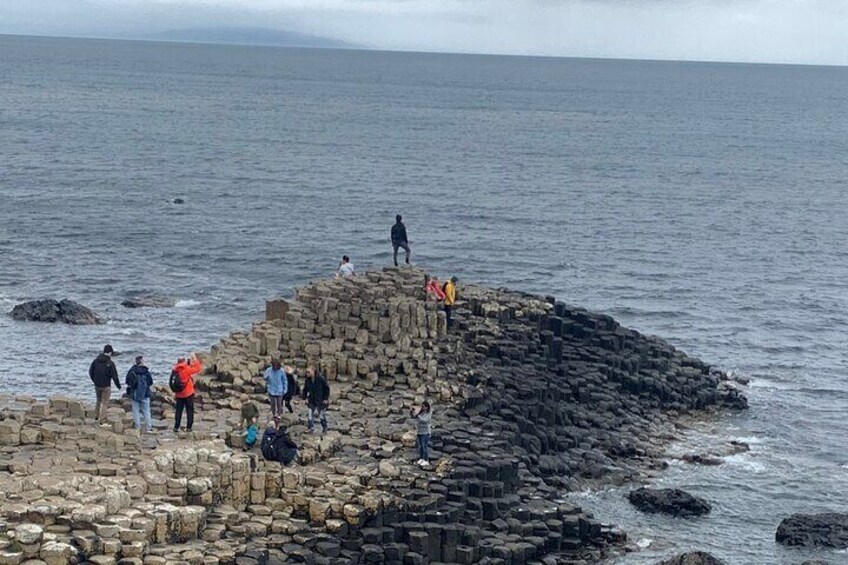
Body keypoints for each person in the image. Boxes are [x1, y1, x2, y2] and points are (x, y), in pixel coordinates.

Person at [89, 344, 120, 424]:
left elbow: (90, 372)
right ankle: (102, 420)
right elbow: (114, 376)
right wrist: (118, 386)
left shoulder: (95, 361)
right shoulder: (110, 363)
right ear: (109, 352)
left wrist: (94, 380)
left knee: (98, 400)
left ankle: (96, 417)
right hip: (106, 386)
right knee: (105, 403)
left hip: (97, 385)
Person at [172, 353, 202, 433]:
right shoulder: (186, 369)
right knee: (189, 410)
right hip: (188, 393)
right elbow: (198, 368)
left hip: (179, 394)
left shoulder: (175, 370)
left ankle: (176, 427)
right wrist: (194, 359)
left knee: (178, 411)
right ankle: (189, 427)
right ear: (184, 361)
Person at [125, 355, 154, 432]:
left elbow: (127, 381)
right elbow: (150, 382)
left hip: (135, 394)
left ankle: (137, 427)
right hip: (145, 394)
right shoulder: (146, 371)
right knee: (146, 411)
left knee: (135, 411)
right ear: (141, 362)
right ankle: (149, 428)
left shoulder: (132, 371)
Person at [302, 366, 330, 434]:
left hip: (320, 399)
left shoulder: (320, 379)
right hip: (311, 399)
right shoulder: (307, 380)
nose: (307, 373)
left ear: (313, 371)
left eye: (308, 372)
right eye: (306, 372)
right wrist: (304, 398)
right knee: (310, 414)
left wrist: (325, 398)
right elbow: (305, 389)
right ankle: (311, 428)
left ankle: (324, 428)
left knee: (321, 415)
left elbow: (327, 388)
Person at [264, 359, 288, 425]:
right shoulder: (269, 370)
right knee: (272, 403)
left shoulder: (282, 371)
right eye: (274, 366)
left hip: (280, 390)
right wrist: (267, 376)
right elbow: (265, 377)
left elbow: (285, 380)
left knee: (279, 403)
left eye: (276, 366)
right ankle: (274, 414)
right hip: (271, 389)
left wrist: (285, 389)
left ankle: (279, 415)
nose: (275, 367)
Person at [410, 401, 433, 467]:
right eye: (422, 406)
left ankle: (426, 460)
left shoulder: (429, 413)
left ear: (427, 407)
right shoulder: (421, 413)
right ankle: (421, 458)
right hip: (419, 431)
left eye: (424, 406)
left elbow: (425, 420)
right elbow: (413, 417)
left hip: (425, 432)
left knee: (424, 446)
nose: (423, 408)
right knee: (420, 446)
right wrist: (412, 412)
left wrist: (418, 416)